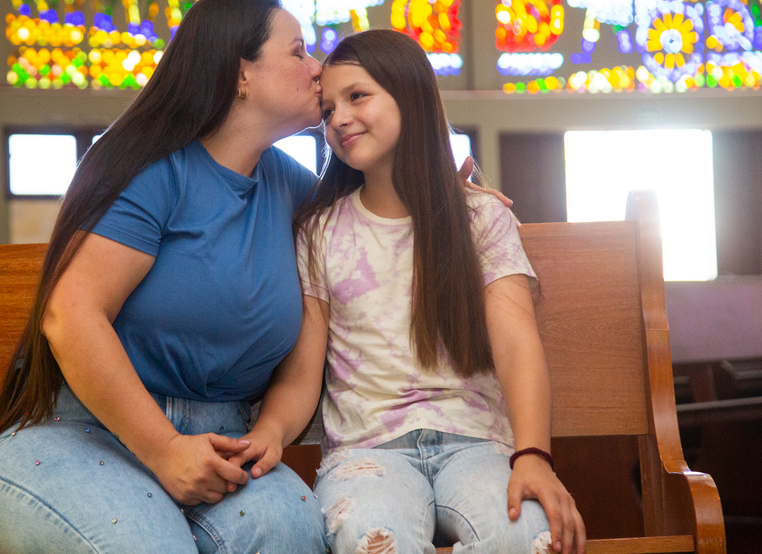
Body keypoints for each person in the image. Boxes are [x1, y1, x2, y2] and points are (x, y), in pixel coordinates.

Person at [0, 0, 329, 553]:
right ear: (242, 74)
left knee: (292, 532)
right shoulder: (149, 166)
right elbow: (71, 314)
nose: (318, 71)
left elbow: (389, 216)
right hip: (81, 430)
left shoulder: (295, 191)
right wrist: (163, 448)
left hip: (226, 440)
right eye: (300, 52)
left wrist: (457, 196)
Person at [227, 29, 587, 554]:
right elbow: (304, 372)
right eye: (327, 110)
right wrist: (271, 430)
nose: (339, 118)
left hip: (479, 444)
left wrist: (533, 456)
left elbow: (516, 345)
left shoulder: (480, 216)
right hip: (367, 453)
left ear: (410, 93)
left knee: (532, 539)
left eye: (357, 96)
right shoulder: (320, 230)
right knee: (374, 541)